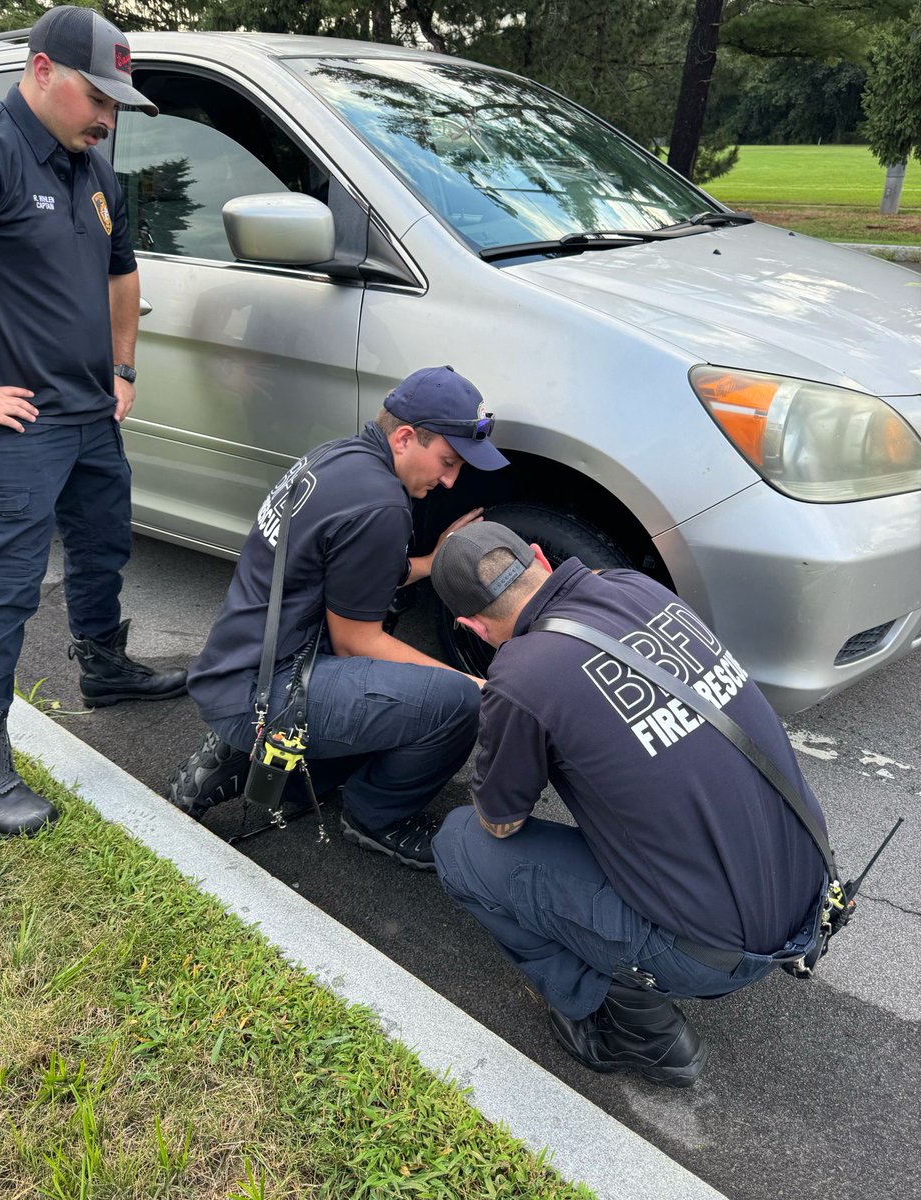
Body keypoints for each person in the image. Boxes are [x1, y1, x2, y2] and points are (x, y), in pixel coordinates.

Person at [430, 522, 827, 1087]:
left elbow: (500, 820)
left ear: (470, 625)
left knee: (460, 844)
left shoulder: (521, 676)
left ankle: (631, 1025)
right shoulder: (638, 589)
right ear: (540, 556)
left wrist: (508, 731)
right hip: (809, 890)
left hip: (713, 955)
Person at [0, 7, 187, 839]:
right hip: (14, 428)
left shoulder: (93, 170)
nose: (108, 116)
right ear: (44, 70)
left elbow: (122, 277)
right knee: (7, 588)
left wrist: (123, 368)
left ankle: (104, 666)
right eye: (100, 95)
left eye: (118, 103)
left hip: (90, 412)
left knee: (103, 544)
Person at [170, 365, 509, 870]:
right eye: (447, 461)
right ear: (404, 437)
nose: (450, 479)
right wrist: (473, 682)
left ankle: (245, 762)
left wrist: (432, 560)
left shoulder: (340, 456)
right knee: (458, 704)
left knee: (396, 691)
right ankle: (376, 818)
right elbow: (357, 643)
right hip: (267, 690)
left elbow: (357, 571)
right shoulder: (381, 505)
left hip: (240, 661)